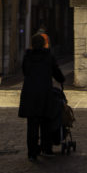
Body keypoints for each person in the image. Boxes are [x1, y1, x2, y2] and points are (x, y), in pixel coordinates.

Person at [18, 32, 65, 161]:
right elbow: (56, 72)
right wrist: (61, 79)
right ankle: (46, 148)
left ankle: (32, 153)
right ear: (43, 44)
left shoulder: (28, 56)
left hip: (30, 94)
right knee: (46, 122)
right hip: (44, 93)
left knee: (32, 125)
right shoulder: (48, 56)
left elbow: (25, 71)